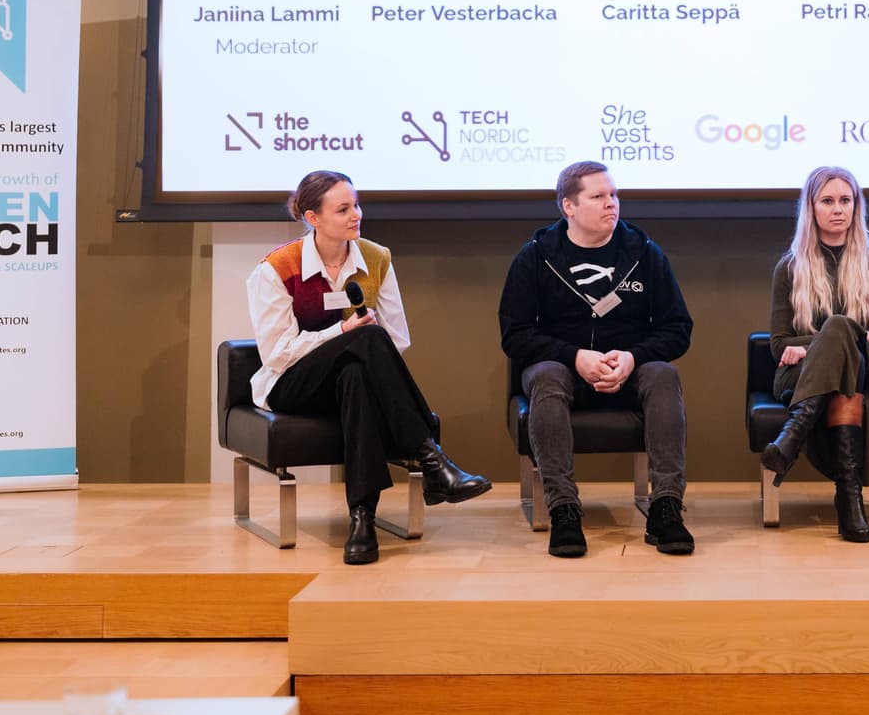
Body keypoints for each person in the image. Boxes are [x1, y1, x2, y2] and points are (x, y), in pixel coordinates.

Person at [245, 170, 490, 565]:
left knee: (359, 372)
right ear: (313, 218)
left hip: (348, 380)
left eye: (356, 205)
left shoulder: (376, 258)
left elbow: (398, 339)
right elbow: (277, 354)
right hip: (291, 383)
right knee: (365, 337)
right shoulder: (276, 269)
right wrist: (342, 332)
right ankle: (431, 457)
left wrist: (354, 341)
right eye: (343, 209)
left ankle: (362, 520)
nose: (356, 214)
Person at [498, 161, 696, 558]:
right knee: (546, 376)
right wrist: (573, 357)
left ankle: (666, 508)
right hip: (564, 370)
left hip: (629, 371)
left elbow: (678, 328)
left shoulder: (645, 253)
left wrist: (632, 357)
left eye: (614, 195)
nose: (612, 204)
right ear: (568, 206)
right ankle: (564, 509)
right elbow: (516, 335)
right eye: (598, 196)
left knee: (663, 375)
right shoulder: (536, 256)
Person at [762, 166, 869, 543]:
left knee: (840, 328)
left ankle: (793, 435)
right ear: (811, 208)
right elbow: (777, 345)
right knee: (843, 349)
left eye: (845, 201)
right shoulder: (790, 267)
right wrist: (850, 339)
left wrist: (814, 341)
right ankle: (849, 497)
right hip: (802, 377)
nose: (838, 209)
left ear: (856, 207)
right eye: (827, 201)